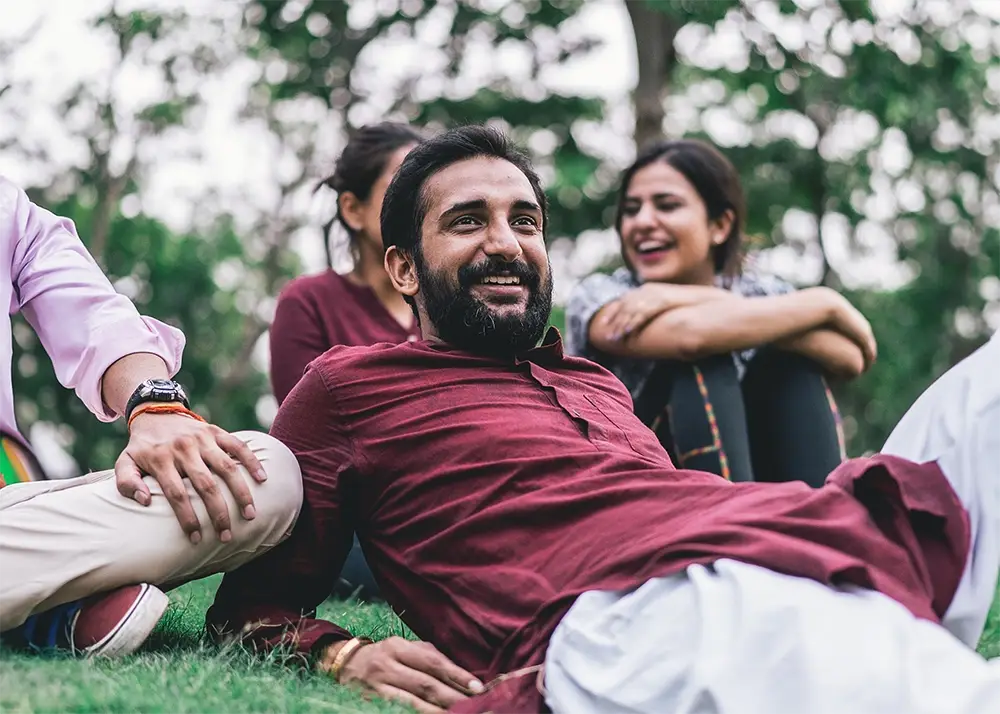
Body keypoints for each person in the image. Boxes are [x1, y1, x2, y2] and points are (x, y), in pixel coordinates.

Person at [206, 126, 1000, 714]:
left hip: (778, 538)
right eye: (467, 221)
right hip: (625, 612)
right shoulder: (352, 386)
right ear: (404, 268)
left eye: (524, 221)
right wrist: (343, 653)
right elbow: (249, 608)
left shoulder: (593, 381)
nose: (505, 243)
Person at [0, 177, 302, 657]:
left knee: (263, 474)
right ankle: (43, 605)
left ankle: (30, 593)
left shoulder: (7, 208)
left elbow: (95, 314)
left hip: (10, 513)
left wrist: (155, 405)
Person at [566, 139, 876, 487]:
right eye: (631, 209)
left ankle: (821, 523)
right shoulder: (602, 296)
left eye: (667, 206)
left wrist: (824, 301)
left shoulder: (758, 291)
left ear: (719, 226)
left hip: (764, 474)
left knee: (789, 365)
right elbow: (689, 337)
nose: (644, 222)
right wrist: (819, 307)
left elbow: (849, 356)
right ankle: (730, 529)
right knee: (706, 358)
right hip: (642, 480)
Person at [270, 122, 424, 600]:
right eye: (403, 187)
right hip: (351, 523)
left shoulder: (450, 310)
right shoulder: (309, 301)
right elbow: (311, 440)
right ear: (353, 209)